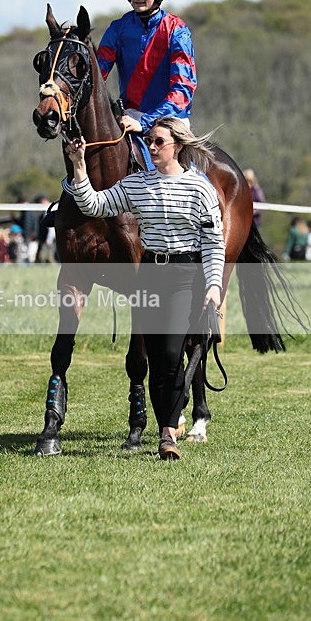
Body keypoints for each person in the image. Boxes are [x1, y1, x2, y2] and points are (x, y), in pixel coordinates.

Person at [65, 116, 225, 460]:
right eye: (149, 141)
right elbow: (93, 204)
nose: (151, 147)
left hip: (187, 274)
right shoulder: (137, 185)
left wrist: (213, 284)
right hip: (150, 274)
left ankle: (168, 430)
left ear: (177, 147)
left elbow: (214, 241)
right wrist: (79, 167)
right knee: (154, 358)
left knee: (171, 355)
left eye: (158, 142)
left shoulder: (200, 189)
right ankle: (167, 434)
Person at [97, 0, 197, 136]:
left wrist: (146, 121)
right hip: (129, 116)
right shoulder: (117, 29)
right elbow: (96, 76)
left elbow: (183, 88)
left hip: (171, 120)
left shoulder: (177, 31)